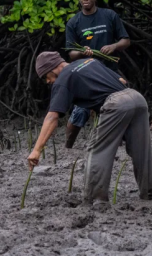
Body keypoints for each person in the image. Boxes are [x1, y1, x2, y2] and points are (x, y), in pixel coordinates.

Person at [28, 52, 152, 205]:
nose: (47, 81)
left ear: (52, 68)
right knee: (142, 150)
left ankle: (94, 200)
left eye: (46, 77)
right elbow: (121, 80)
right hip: (137, 99)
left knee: (97, 149)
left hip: (117, 104)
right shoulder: (89, 61)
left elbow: (52, 117)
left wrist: (37, 150)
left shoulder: (63, 78)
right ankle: (149, 192)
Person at [64, 0, 130, 147]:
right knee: (80, 111)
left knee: (121, 106)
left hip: (110, 72)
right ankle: (68, 147)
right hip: (86, 75)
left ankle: (120, 142)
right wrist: (81, 52)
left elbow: (126, 40)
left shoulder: (109, 15)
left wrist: (113, 46)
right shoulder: (74, 23)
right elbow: (71, 53)